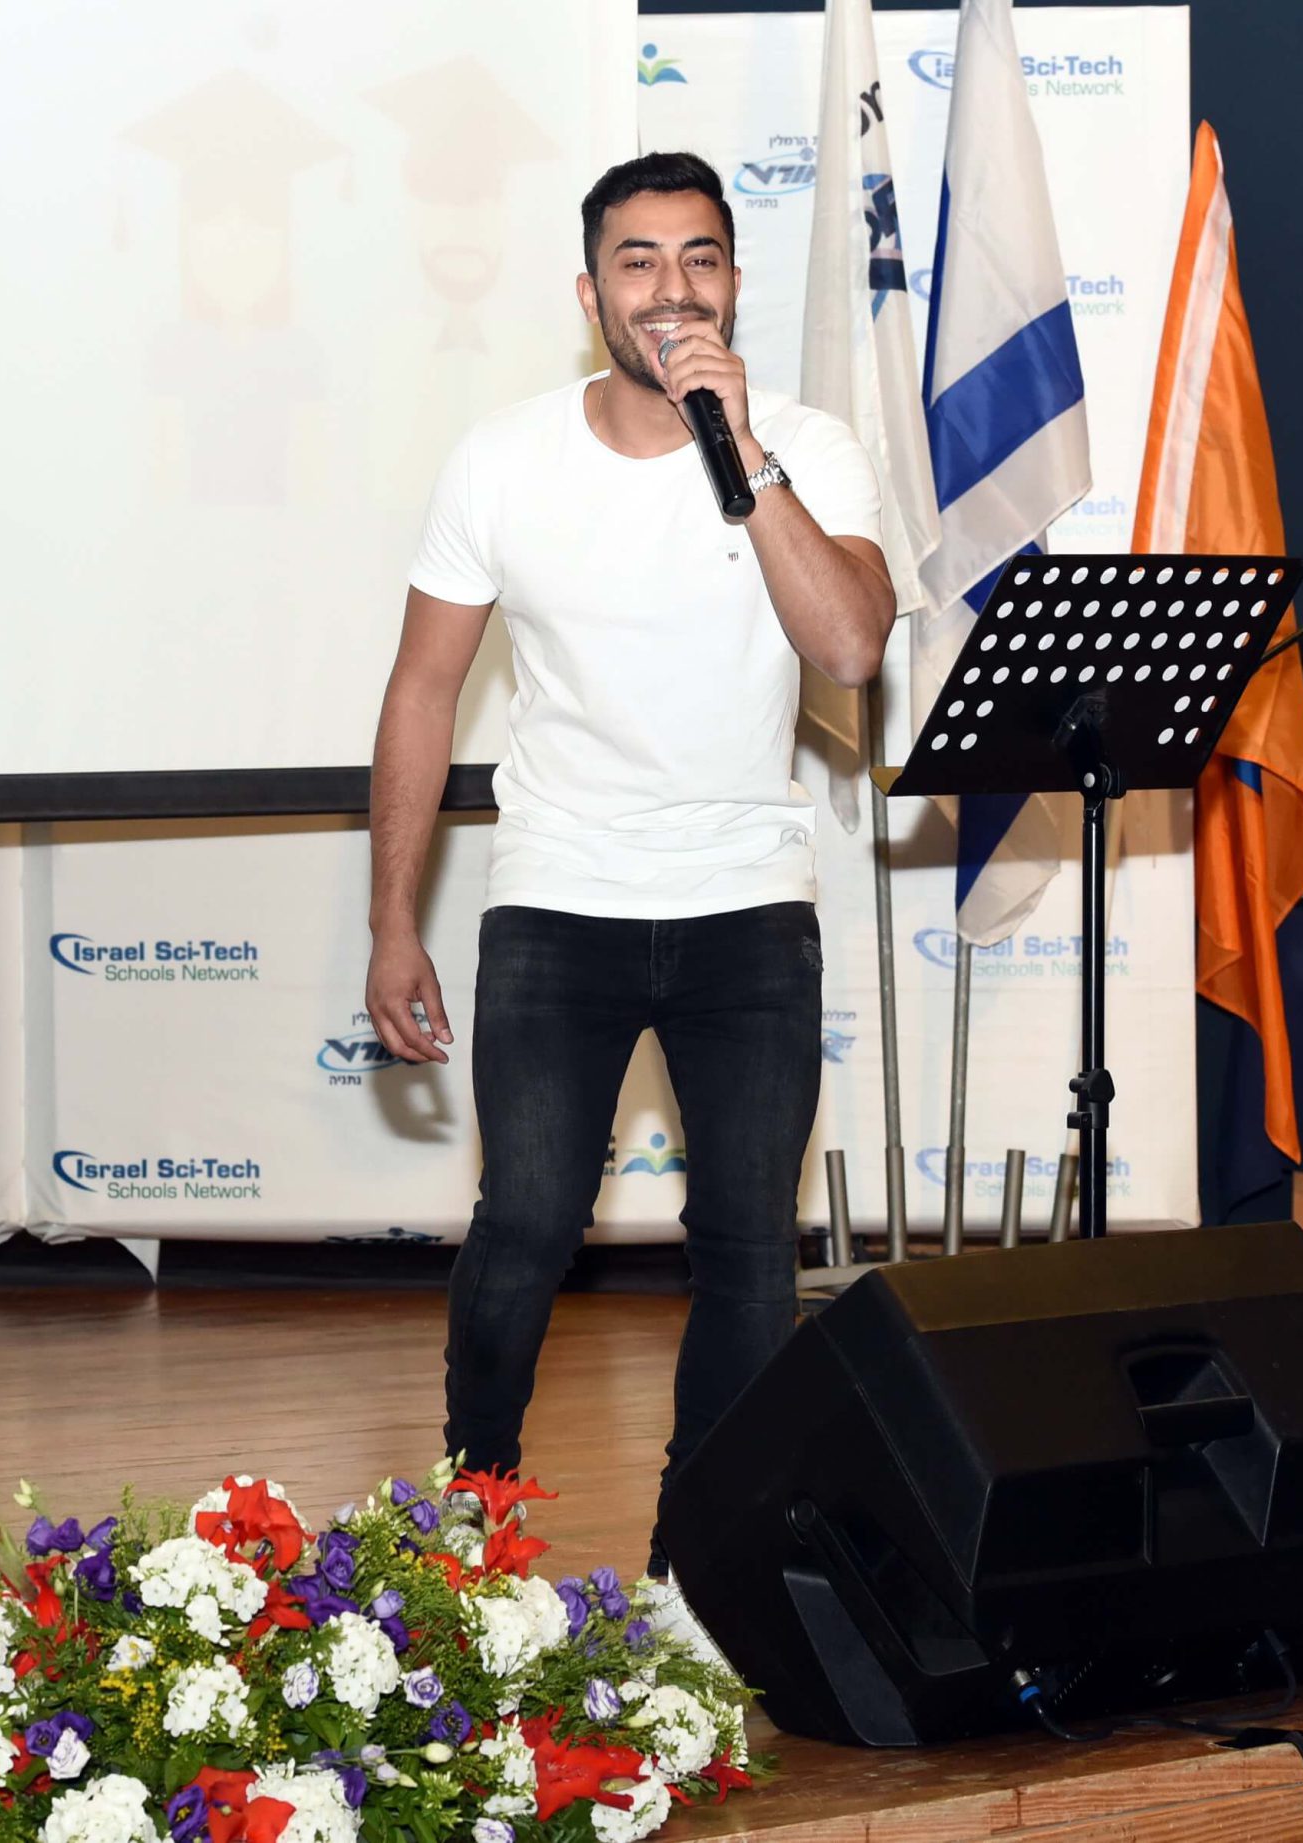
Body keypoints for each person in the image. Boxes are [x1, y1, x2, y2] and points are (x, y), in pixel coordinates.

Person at [364, 151, 893, 1577]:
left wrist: (748, 454)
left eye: (700, 258)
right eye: (640, 261)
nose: (672, 288)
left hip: (747, 906)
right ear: (590, 292)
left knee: (749, 1250)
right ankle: (471, 1527)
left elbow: (850, 648)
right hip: (559, 898)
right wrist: (393, 922)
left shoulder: (806, 447)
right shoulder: (502, 458)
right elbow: (423, 691)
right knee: (527, 1223)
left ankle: (688, 1573)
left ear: (735, 283)